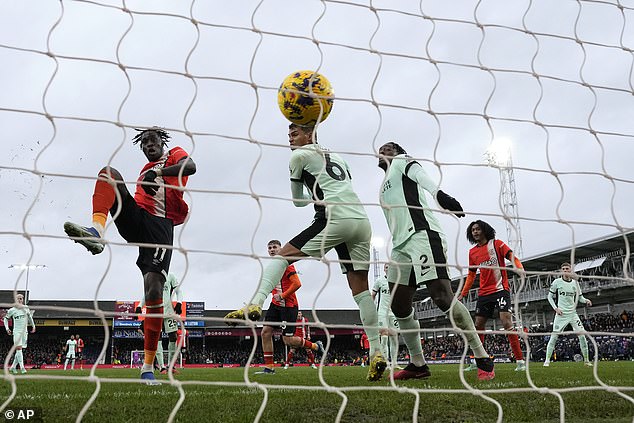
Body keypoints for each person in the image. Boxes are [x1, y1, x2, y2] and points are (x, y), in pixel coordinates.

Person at [225, 123, 387, 381]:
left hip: (333, 218)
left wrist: (301, 181)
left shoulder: (298, 156)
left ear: (309, 134)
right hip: (361, 221)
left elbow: (299, 202)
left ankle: (255, 303)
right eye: (289, 134)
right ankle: (377, 353)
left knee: (282, 257)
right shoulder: (339, 158)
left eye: (295, 133)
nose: (290, 139)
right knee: (361, 292)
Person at [63, 127, 196, 384]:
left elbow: (190, 167)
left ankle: (148, 367)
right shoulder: (142, 172)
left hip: (159, 228)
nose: (148, 145)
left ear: (162, 141)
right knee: (109, 174)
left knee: (153, 291)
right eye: (144, 143)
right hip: (138, 220)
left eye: (152, 140)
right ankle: (97, 232)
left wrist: (157, 172)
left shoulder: (173, 155)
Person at [378, 142, 494, 381]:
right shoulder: (382, 186)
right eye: (380, 150)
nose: (382, 152)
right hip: (400, 246)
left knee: (441, 296)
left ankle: (482, 356)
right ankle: (418, 363)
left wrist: (439, 194)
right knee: (399, 306)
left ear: (397, 152)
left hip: (422, 234)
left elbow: (419, 174)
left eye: (387, 148)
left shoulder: (402, 161)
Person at [458, 220, 526, 372]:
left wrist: (519, 267)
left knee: (506, 323)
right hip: (484, 293)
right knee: (478, 326)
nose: (475, 232)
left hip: (501, 289)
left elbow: (512, 256)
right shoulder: (472, 252)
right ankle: (477, 362)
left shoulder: (497, 244)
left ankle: (520, 361)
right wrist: (463, 293)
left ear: (484, 230)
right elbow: (471, 275)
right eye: (473, 230)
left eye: (477, 229)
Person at [255, 240, 324, 375]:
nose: (272, 250)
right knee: (265, 332)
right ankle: (269, 368)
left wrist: (282, 295)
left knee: (288, 340)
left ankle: (316, 346)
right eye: (269, 248)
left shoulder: (287, 265)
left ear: (281, 249)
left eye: (275, 247)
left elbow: (297, 284)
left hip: (289, 306)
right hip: (275, 306)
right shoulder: (272, 267)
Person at [544, 262, 593, 367]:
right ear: (561, 271)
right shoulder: (557, 282)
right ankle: (547, 360)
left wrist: (586, 301)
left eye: (567, 269)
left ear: (570, 270)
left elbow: (580, 298)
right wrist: (556, 308)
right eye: (564, 269)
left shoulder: (575, 283)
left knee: (582, 336)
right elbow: (549, 297)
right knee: (554, 337)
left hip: (573, 314)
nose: (566, 271)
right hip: (561, 314)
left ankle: (587, 361)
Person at [136, 272, 183, 374]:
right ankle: (162, 367)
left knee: (173, 337)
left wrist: (179, 302)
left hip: (169, 312)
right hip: (156, 312)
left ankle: (171, 366)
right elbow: (147, 294)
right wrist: (140, 305)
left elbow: (178, 290)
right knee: (157, 338)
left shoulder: (171, 276)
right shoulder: (152, 275)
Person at [372, 263, 400, 369]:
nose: (388, 267)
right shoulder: (379, 281)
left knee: (394, 337)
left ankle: (395, 363)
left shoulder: (397, 281)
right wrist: (370, 309)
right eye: (386, 266)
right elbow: (373, 295)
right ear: (384, 269)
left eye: (390, 266)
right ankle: (385, 362)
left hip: (393, 313)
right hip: (382, 312)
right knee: (384, 337)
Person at [3, 293, 36, 374]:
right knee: (19, 349)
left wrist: (33, 326)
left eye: (21, 298)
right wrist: (7, 328)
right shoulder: (12, 310)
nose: (20, 300)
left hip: (25, 332)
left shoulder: (26, 308)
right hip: (17, 332)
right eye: (18, 298)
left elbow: (30, 317)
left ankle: (13, 367)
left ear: (23, 300)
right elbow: (5, 319)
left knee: (20, 350)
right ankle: (22, 368)